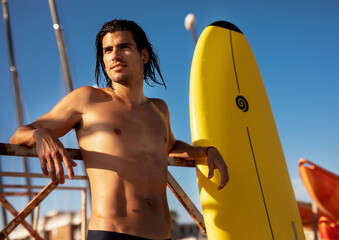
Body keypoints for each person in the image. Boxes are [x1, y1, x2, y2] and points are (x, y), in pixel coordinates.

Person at [10, 19, 229, 240]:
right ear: (104, 60)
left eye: (124, 47)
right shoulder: (88, 100)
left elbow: (170, 146)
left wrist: (206, 151)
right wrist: (41, 134)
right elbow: (19, 134)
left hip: (163, 235)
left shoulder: (159, 109)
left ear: (143, 56)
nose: (115, 55)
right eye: (108, 50)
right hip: (112, 233)